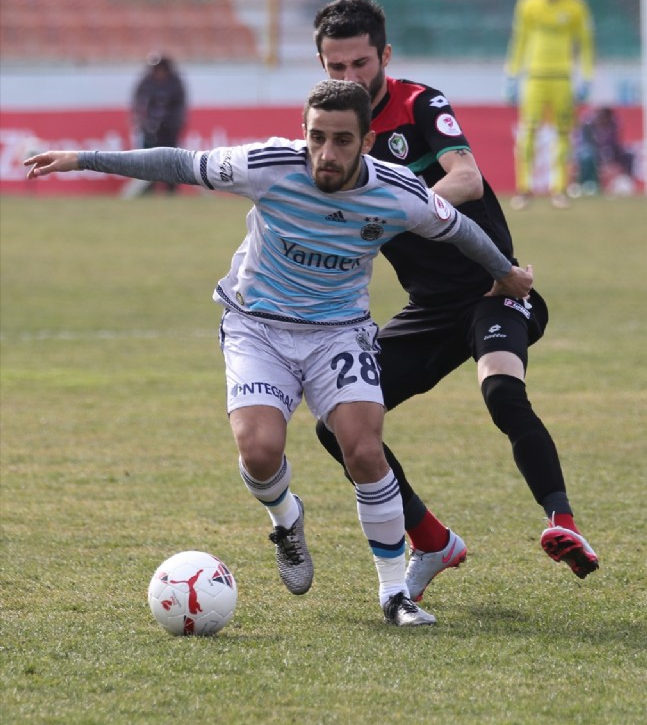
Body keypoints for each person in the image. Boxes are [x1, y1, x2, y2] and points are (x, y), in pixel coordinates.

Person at [24, 80, 534, 627]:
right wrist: (83, 159)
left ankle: (393, 594)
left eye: (342, 141)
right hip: (257, 327)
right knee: (260, 452)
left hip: (339, 332)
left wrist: (505, 273)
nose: (326, 153)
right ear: (303, 133)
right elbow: (178, 162)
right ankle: (286, 520)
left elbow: (460, 229)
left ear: (366, 143)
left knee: (364, 450)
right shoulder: (268, 163)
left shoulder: (398, 189)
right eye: (317, 137)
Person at [312, 0, 599, 603]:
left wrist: (395, 211)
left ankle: (564, 526)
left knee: (501, 390)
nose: (347, 79)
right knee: (337, 425)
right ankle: (433, 540)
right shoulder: (331, 133)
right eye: (334, 68)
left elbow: (466, 176)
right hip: (429, 310)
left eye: (359, 64)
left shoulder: (420, 103)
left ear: (384, 57)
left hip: (494, 286)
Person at [504, 0, 595, 210]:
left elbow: (585, 45)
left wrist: (586, 77)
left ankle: (560, 189)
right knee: (529, 131)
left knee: (564, 133)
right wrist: (512, 74)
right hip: (534, 76)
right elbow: (519, 40)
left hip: (562, 78)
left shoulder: (575, 7)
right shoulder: (528, 3)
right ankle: (524, 189)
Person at [128, 53, 187, 196]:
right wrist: (143, 123)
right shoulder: (146, 83)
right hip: (150, 129)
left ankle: (171, 189)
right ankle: (148, 188)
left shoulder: (175, 83)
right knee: (148, 158)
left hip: (169, 129)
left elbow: (179, 107)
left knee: (170, 158)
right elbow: (138, 104)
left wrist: (174, 124)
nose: (159, 73)